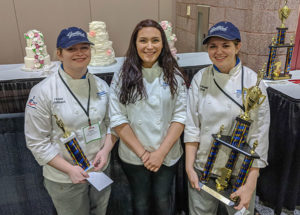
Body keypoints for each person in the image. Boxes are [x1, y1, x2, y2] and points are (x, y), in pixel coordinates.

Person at [24, 26, 116, 215]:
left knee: (101, 211)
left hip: (99, 169)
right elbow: (36, 142)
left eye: (84, 47)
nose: (79, 53)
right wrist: (70, 170)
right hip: (65, 177)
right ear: (59, 53)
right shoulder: (43, 92)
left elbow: (113, 124)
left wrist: (106, 151)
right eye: (71, 49)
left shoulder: (102, 86)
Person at [184, 21, 270, 215]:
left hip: (240, 173)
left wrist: (250, 183)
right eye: (213, 46)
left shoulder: (252, 82)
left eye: (226, 45)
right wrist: (190, 168)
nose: (218, 52)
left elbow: (259, 135)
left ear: (238, 46)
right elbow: (192, 127)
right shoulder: (200, 79)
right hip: (203, 167)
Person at [109, 19, 187, 215]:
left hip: (167, 153)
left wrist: (160, 153)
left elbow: (180, 116)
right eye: (143, 41)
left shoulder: (174, 75)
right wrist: (144, 155)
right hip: (134, 155)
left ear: (163, 44)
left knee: (163, 200)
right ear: (135, 44)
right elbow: (118, 119)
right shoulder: (122, 75)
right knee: (140, 201)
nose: (149, 46)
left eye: (155, 40)